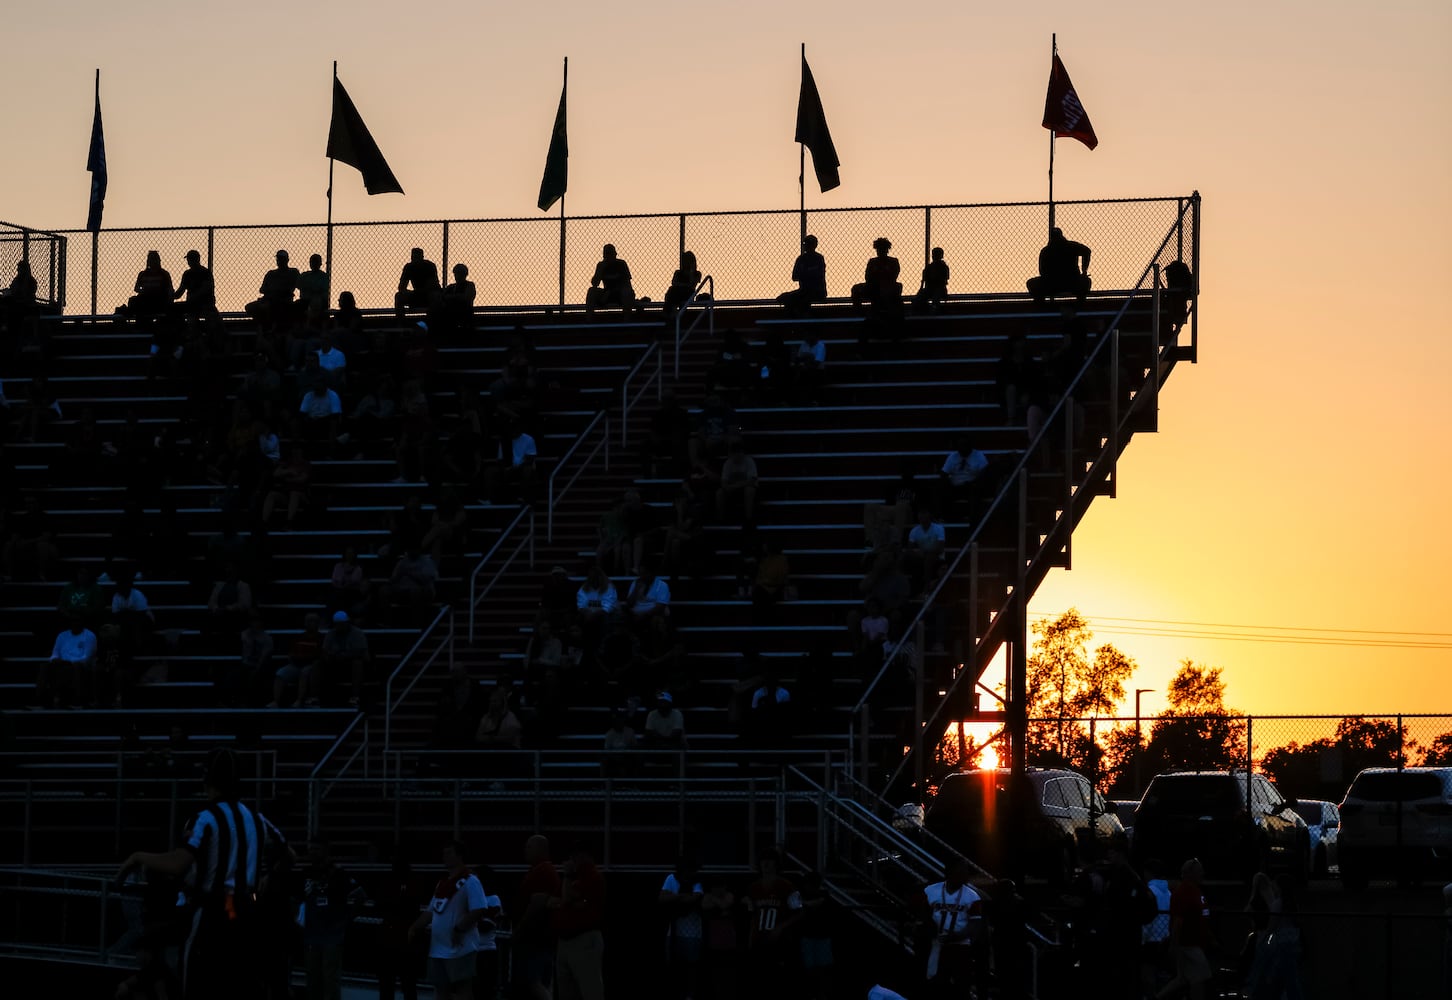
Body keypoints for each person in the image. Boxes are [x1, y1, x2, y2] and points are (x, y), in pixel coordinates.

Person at [117, 748, 290, 1000]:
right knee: (240, 981)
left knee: (198, 979)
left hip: (213, 911)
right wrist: (268, 877)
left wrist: (137, 856)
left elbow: (178, 863)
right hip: (245, 909)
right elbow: (289, 854)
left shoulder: (205, 819)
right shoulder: (257, 819)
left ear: (206, 780)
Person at [411, 840, 488, 1000]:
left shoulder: (471, 881)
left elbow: (479, 909)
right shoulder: (442, 884)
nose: (444, 856)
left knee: (463, 989)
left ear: (459, 856)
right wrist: (414, 928)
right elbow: (430, 911)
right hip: (437, 949)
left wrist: (459, 928)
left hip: (460, 948)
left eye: (449, 853)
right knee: (441, 990)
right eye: (443, 853)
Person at [300, 840, 366, 1000]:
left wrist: (347, 919)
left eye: (316, 848)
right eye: (310, 849)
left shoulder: (339, 873)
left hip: (332, 936)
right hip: (311, 936)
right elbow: (295, 899)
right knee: (312, 981)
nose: (312, 853)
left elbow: (361, 896)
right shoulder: (306, 873)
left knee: (330, 981)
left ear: (326, 851)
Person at [919, 862, 983, 999]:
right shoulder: (930, 891)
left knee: (962, 986)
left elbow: (975, 924)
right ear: (949, 874)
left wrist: (957, 936)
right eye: (960, 873)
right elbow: (922, 914)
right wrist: (930, 928)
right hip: (936, 944)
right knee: (934, 983)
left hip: (960, 947)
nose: (965, 876)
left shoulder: (972, 896)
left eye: (965, 873)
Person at [744, 850, 801, 1000]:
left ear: (776, 864)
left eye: (770, 861)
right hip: (759, 940)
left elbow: (799, 912)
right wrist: (750, 940)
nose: (766, 864)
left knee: (778, 982)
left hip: (780, 942)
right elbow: (752, 916)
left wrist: (781, 927)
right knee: (759, 982)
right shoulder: (753, 888)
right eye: (763, 861)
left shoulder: (788, 886)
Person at [552, 844, 606, 1000]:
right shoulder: (573, 878)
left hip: (584, 940)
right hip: (565, 941)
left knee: (591, 991)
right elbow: (558, 901)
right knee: (566, 992)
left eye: (575, 856)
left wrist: (568, 876)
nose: (572, 860)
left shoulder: (593, 876)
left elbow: (567, 898)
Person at [515, 835, 562, 1000]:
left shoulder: (543, 871)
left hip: (536, 938)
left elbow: (537, 903)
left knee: (533, 980)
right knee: (539, 981)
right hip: (540, 938)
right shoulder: (539, 870)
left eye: (529, 847)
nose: (525, 850)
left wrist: (520, 928)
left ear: (541, 849)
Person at [1160, 858, 1213, 1000]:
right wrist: (1174, 944)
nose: (1202, 873)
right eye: (1199, 871)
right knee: (1200, 977)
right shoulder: (1184, 893)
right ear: (1190, 873)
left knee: (1182, 978)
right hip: (1189, 943)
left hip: (1191, 942)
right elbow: (1178, 921)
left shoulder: (1194, 890)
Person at [377, 854, 425, 1000]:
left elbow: (413, 905)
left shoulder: (413, 881)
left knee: (407, 983)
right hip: (392, 938)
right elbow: (379, 904)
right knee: (390, 983)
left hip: (406, 939)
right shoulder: (388, 881)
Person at [660, 856, 704, 1000]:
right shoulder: (671, 878)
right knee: (674, 967)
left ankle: (689, 996)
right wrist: (683, 898)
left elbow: (695, 898)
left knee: (691, 968)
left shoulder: (697, 881)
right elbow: (662, 898)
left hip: (693, 933)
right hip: (673, 933)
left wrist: (676, 898)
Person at [41, 617, 98, 708]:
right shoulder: (62, 635)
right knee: (45, 666)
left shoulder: (90, 636)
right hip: (62, 664)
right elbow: (55, 653)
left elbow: (87, 657)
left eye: (77, 621)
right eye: (73, 621)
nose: (75, 623)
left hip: (80, 665)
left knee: (75, 666)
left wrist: (69, 663)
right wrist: (55, 659)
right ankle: (40, 700)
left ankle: (77, 700)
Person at [1027, 227, 1092, 304]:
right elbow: (1087, 251)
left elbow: (1042, 271)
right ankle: (1081, 304)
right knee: (1085, 281)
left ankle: (1041, 307)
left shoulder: (1046, 250)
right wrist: (1084, 271)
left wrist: (1084, 271)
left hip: (1053, 284)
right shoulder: (1071, 246)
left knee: (1031, 283)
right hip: (1071, 282)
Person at [323, 610, 371, 707]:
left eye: (342, 624)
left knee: (357, 663)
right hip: (335, 664)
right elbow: (324, 651)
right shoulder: (330, 634)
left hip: (353, 665)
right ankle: (318, 697)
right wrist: (330, 655)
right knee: (319, 663)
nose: (340, 627)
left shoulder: (358, 633)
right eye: (338, 624)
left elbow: (363, 654)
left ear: (347, 623)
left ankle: (355, 697)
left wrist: (344, 655)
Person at [246, 250, 300, 329]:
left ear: (287, 260)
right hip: (269, 300)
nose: (280, 261)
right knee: (249, 307)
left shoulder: (293, 272)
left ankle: (267, 328)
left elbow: (293, 287)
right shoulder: (271, 273)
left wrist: (276, 290)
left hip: (283, 300)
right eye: (278, 259)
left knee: (273, 308)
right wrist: (273, 291)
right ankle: (265, 326)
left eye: (282, 259)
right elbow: (262, 289)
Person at [938, 436, 988, 519]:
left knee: (975, 491)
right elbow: (943, 473)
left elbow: (984, 472)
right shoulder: (952, 456)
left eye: (965, 445)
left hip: (971, 486)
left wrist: (974, 482)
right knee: (940, 489)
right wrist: (947, 483)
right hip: (955, 486)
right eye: (960, 445)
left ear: (970, 445)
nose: (963, 448)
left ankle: (973, 520)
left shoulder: (979, 455)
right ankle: (945, 518)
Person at [174, 250, 220, 337]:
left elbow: (205, 290)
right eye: (189, 260)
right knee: (176, 309)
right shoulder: (187, 274)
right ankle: (182, 332)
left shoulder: (205, 273)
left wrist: (192, 297)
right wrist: (172, 295)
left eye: (191, 259)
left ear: (197, 259)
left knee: (212, 321)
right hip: (192, 304)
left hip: (205, 304)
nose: (189, 262)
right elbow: (180, 291)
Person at [778, 235, 827, 314]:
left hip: (817, 292)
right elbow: (794, 277)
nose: (806, 246)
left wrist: (804, 274)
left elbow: (818, 275)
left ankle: (801, 320)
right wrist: (809, 273)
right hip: (805, 291)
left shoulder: (818, 258)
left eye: (808, 244)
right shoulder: (801, 259)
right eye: (805, 244)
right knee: (785, 298)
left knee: (798, 298)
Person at [851, 237, 902, 311]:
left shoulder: (893, 262)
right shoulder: (873, 262)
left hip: (885, 286)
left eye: (881, 249)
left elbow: (893, 276)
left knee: (892, 288)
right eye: (878, 249)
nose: (879, 251)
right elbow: (867, 277)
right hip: (874, 286)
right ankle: (859, 312)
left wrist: (878, 275)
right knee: (855, 288)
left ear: (886, 250)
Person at [585, 244, 635, 314]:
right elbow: (595, 284)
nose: (609, 256)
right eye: (606, 254)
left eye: (610, 253)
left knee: (626, 292)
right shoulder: (601, 265)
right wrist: (600, 270)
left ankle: (627, 322)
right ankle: (589, 322)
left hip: (619, 294)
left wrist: (611, 291)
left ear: (615, 254)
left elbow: (627, 284)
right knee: (591, 291)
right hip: (606, 294)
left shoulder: (621, 264)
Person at [395, 248, 441, 321]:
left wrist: (415, 293)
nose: (415, 259)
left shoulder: (429, 266)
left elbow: (432, 286)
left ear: (422, 257)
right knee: (399, 296)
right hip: (416, 294)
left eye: (417, 257)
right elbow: (401, 287)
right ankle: (401, 323)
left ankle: (432, 322)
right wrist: (410, 293)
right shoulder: (408, 267)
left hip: (428, 295)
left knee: (435, 296)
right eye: (413, 257)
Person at [438, 263, 477, 333]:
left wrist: (451, 298)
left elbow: (466, 298)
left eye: (460, 274)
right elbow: (442, 297)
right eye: (456, 274)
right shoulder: (451, 287)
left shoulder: (470, 285)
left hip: (464, 313)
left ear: (465, 275)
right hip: (451, 314)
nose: (457, 276)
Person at [663, 250, 702, 320]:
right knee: (672, 291)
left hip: (688, 293)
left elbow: (692, 285)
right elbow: (674, 283)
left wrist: (691, 271)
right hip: (677, 292)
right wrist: (684, 285)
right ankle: (671, 313)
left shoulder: (697, 273)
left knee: (675, 291)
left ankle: (673, 314)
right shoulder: (678, 272)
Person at [296, 254, 331, 321]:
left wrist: (308, 287)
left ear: (320, 263)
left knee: (316, 302)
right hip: (305, 300)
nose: (314, 263)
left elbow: (320, 289)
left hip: (319, 300)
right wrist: (313, 287)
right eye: (312, 261)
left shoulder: (324, 276)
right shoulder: (305, 275)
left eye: (316, 262)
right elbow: (298, 285)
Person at [914, 246, 950, 310]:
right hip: (931, 289)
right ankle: (928, 310)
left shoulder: (943, 267)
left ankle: (933, 310)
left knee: (935, 296)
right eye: (934, 255)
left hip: (939, 289)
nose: (934, 256)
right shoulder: (930, 267)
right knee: (920, 297)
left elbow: (944, 281)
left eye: (936, 255)